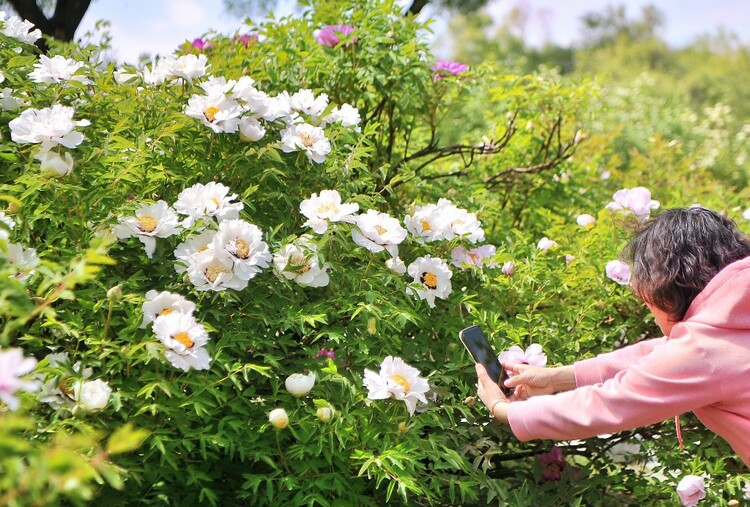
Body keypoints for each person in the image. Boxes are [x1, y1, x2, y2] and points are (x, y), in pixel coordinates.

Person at [475, 207, 750, 468]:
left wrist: (505, 411)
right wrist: (557, 378)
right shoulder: (734, 315)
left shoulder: (704, 352)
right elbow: (662, 353)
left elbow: (608, 404)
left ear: (667, 284)